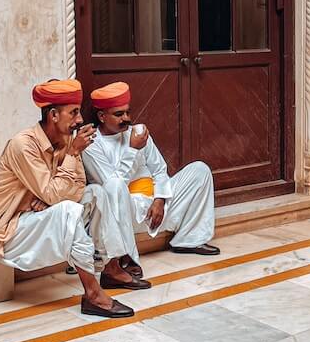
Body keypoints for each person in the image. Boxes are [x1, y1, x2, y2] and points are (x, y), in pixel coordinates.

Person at [0, 79, 133, 318]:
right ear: (53, 115)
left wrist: (50, 197)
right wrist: (70, 160)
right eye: (74, 112)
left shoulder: (67, 141)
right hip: (6, 233)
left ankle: (109, 267)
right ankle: (93, 295)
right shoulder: (23, 145)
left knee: (96, 193)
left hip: (39, 220)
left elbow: (78, 187)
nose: (79, 120)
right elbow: (54, 194)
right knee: (67, 210)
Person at [80, 82, 219, 280]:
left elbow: (160, 169)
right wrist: (132, 150)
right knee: (115, 185)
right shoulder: (92, 143)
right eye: (119, 114)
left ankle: (189, 239)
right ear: (102, 116)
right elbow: (113, 185)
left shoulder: (138, 132)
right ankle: (126, 258)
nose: (126, 119)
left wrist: (160, 200)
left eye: (128, 112)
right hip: (123, 215)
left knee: (199, 170)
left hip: (155, 209)